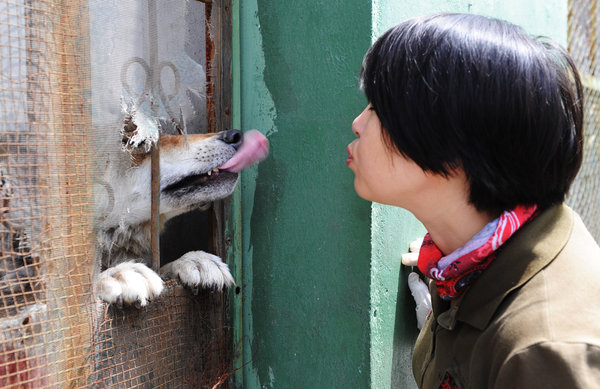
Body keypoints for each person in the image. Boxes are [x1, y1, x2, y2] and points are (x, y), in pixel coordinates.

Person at [346, 13, 600, 389]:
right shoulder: (468, 258)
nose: (358, 122)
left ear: (454, 146)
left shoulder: (544, 353)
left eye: (380, 109)